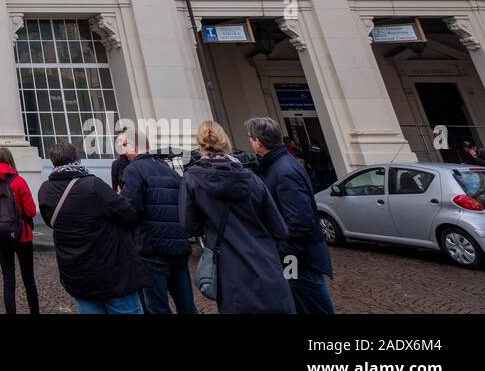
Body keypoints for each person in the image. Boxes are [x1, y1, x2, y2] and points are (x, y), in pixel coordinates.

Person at [180, 121, 294, 314]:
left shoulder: (192, 179)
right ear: (226, 143)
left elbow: (190, 226)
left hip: (230, 272)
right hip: (267, 267)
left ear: (200, 146)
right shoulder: (252, 178)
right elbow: (280, 229)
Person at [37, 141, 145, 314]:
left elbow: (51, 222)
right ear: (76, 159)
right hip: (111, 271)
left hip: (77, 272)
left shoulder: (44, 190)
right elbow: (128, 215)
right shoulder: (93, 185)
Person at [247, 117, 334, 314]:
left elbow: (300, 224)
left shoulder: (284, 171)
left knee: (310, 304)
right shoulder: (279, 165)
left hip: (298, 259)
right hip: (294, 256)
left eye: (251, 138)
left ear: (258, 141)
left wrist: (279, 251)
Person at [119, 130, 195, 314]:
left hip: (152, 249)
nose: (122, 151)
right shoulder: (167, 168)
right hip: (177, 246)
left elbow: (131, 209)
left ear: (133, 146)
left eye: (123, 145)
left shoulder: (133, 170)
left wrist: (119, 202)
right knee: (186, 304)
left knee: (157, 307)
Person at [0, 147, 40, 314]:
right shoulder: (19, 181)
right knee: (28, 279)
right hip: (23, 235)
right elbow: (30, 210)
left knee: (8, 281)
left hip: (0, 235)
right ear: (10, 161)